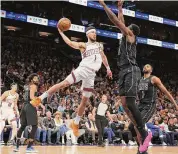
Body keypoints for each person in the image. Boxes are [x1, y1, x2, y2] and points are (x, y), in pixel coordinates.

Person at [31, 25, 112, 137]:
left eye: (95, 32)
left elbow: (103, 57)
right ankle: (39, 98)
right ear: (88, 34)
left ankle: (76, 123)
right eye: (93, 32)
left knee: (85, 100)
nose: (95, 34)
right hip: (83, 69)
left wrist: (108, 68)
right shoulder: (83, 45)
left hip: (92, 74)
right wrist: (61, 32)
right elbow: (69, 43)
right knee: (63, 83)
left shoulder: (99, 45)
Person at [98, 0, 149, 153]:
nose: (125, 27)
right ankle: (140, 135)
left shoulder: (131, 36)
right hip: (123, 71)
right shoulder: (127, 37)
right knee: (124, 104)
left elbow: (115, 21)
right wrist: (120, 8)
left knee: (131, 103)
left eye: (127, 27)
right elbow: (121, 21)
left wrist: (104, 5)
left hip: (132, 70)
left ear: (131, 31)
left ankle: (144, 132)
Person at [130, 64, 178, 153]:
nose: (145, 67)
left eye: (148, 66)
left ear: (151, 70)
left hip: (149, 105)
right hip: (140, 105)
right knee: (131, 127)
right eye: (144, 66)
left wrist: (175, 105)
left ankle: (143, 148)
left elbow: (166, 91)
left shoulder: (153, 79)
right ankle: (140, 147)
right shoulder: (139, 80)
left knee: (138, 124)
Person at [13, 74, 45, 153]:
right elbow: (31, 97)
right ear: (31, 79)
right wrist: (41, 105)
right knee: (34, 126)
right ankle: (29, 147)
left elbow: (26, 97)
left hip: (24, 106)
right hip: (30, 106)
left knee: (23, 126)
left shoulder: (26, 86)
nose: (37, 79)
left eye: (37, 78)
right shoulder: (34, 86)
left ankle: (16, 147)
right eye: (35, 78)